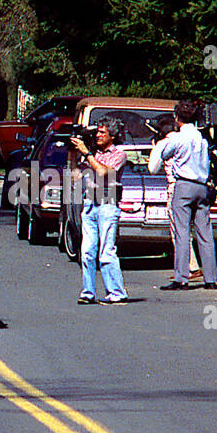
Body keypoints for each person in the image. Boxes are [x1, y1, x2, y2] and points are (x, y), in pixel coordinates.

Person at [149, 98, 217, 291]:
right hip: (201, 185)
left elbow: (165, 155)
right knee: (205, 232)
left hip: (184, 184)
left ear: (176, 117)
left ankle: (182, 277)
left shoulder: (178, 138)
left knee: (182, 232)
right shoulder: (202, 138)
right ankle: (210, 278)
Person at [72, 117, 128, 305]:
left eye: (102, 132)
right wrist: (72, 154)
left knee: (107, 252)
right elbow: (75, 176)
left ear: (112, 135)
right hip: (89, 203)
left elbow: (105, 173)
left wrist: (87, 154)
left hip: (107, 204)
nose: (98, 135)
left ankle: (116, 292)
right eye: (97, 132)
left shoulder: (119, 154)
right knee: (87, 251)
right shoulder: (93, 154)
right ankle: (88, 292)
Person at [154, 114, 201, 281]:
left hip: (176, 187)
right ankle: (198, 266)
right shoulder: (190, 140)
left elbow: (153, 167)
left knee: (178, 230)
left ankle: (189, 267)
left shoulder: (166, 143)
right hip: (196, 184)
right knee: (198, 229)